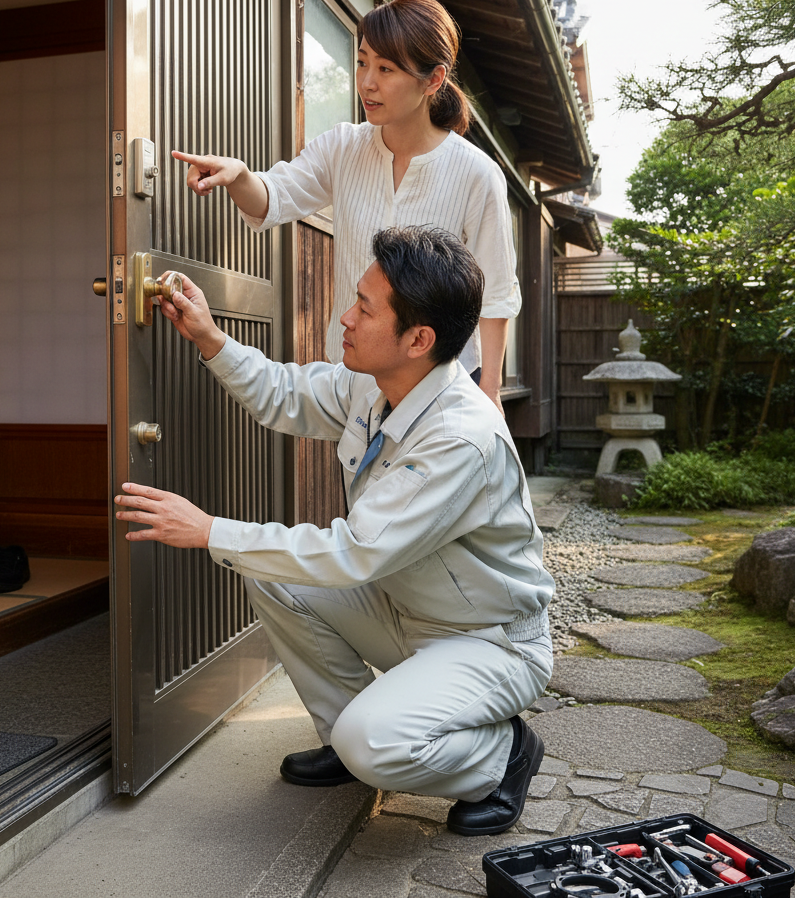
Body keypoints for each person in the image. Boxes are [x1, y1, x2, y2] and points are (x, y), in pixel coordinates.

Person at [113, 226, 553, 836]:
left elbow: (355, 553)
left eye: (365, 308)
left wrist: (209, 529)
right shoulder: (376, 384)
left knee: (373, 742)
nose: (345, 318)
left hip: (486, 640)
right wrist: (210, 338)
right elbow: (284, 394)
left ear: (417, 339)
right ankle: (347, 739)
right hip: (404, 607)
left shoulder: (460, 438)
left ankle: (501, 757)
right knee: (269, 572)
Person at [171, 0, 520, 415]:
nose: (367, 82)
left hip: (440, 391)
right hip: (353, 381)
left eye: (386, 69)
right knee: (359, 482)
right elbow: (275, 197)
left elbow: (496, 292)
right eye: (361, 62)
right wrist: (240, 176)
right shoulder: (343, 146)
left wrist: (490, 389)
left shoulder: (477, 174)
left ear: (433, 80)